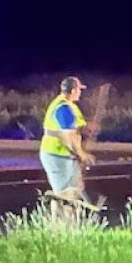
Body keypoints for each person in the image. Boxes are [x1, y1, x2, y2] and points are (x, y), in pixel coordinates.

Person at [40, 76, 96, 207]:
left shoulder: (67, 106)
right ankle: (62, 224)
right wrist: (82, 155)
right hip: (57, 156)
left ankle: (69, 223)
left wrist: (87, 128)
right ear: (73, 91)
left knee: (73, 192)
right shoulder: (64, 108)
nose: (80, 93)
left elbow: (76, 128)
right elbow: (69, 136)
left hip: (64, 156)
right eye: (79, 90)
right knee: (64, 195)